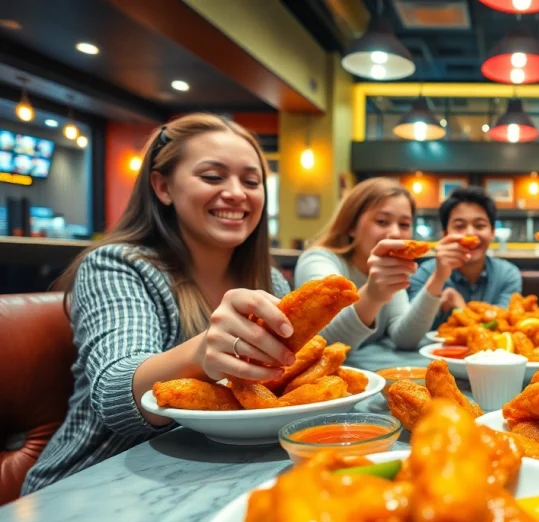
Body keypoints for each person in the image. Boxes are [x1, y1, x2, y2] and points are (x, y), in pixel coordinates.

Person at [23, 114, 293, 494]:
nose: (237, 193)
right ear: (162, 186)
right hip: (89, 485)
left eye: (252, 181)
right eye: (213, 177)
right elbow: (115, 389)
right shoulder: (117, 265)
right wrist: (203, 351)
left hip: (212, 477)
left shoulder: (268, 280)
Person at [294, 177, 467, 349]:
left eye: (404, 224)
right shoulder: (318, 260)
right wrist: (372, 295)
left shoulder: (389, 268)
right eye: (382, 221)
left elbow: (405, 338)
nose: (395, 233)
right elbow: (323, 344)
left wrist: (439, 277)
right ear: (351, 226)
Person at [409, 186, 522, 328]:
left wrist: (461, 309)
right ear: (445, 234)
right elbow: (411, 330)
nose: (470, 233)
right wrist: (438, 279)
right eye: (459, 226)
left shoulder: (507, 274)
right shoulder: (425, 274)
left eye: (479, 225)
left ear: (492, 232)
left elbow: (501, 326)